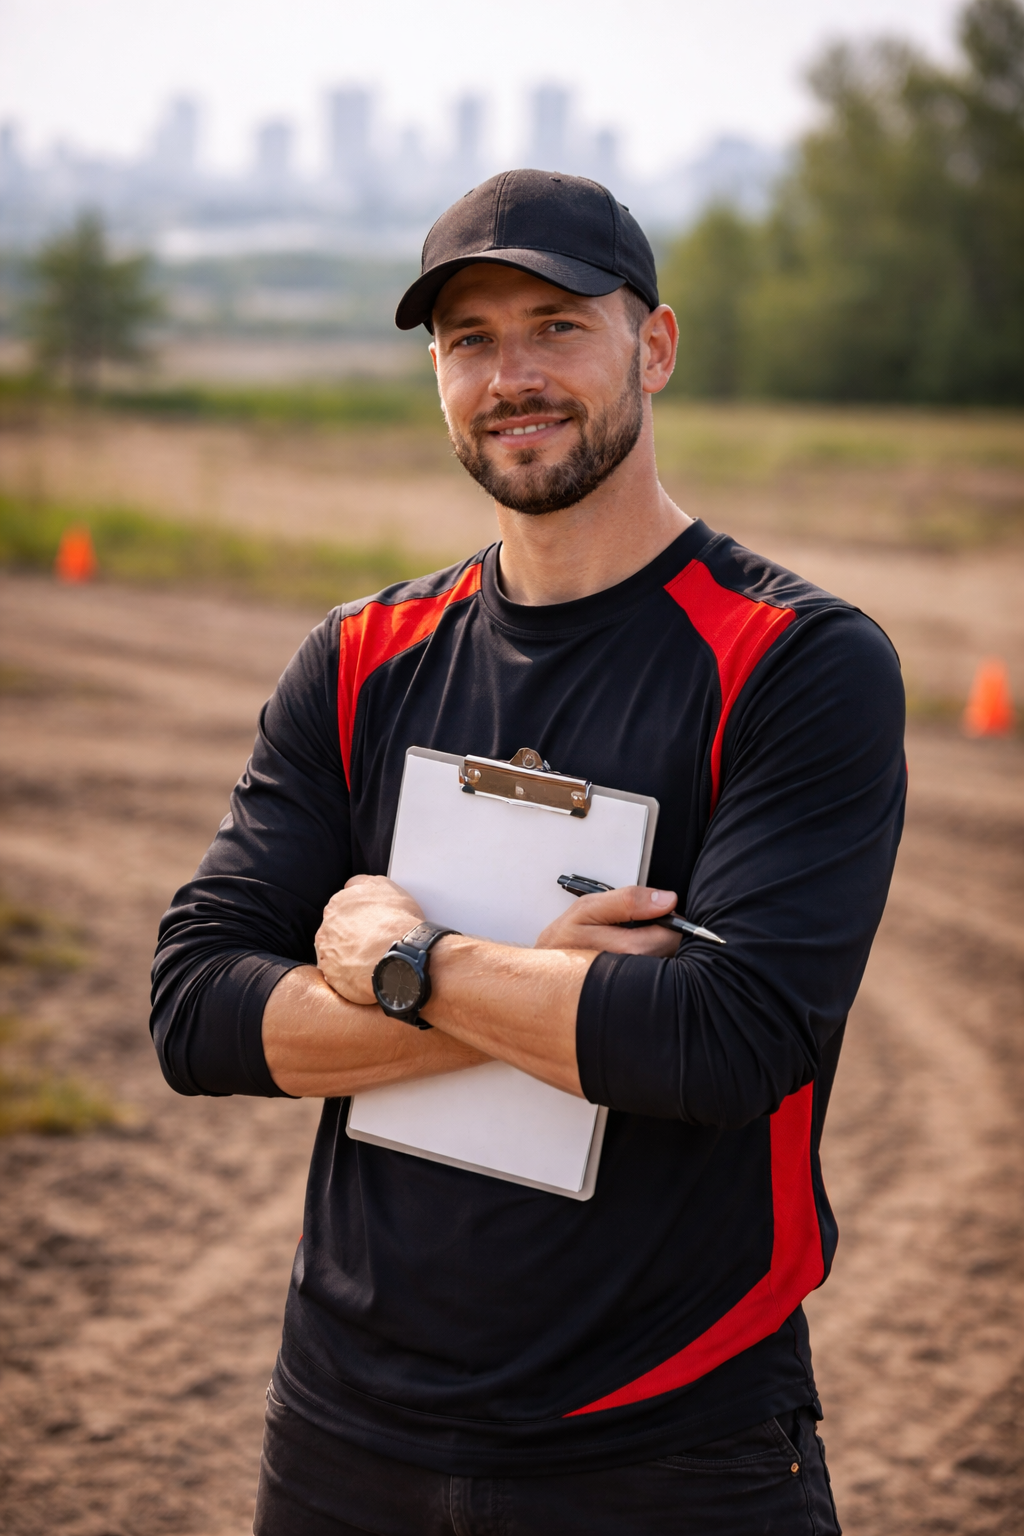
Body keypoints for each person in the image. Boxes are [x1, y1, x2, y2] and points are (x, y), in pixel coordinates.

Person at [151, 169, 906, 1535]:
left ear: (655, 346)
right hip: (343, 1433)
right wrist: (544, 994)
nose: (513, 376)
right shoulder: (362, 658)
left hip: (670, 1446)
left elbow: (724, 1043)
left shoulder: (797, 664)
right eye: (469, 342)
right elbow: (196, 1009)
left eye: (556, 325)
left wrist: (408, 963)